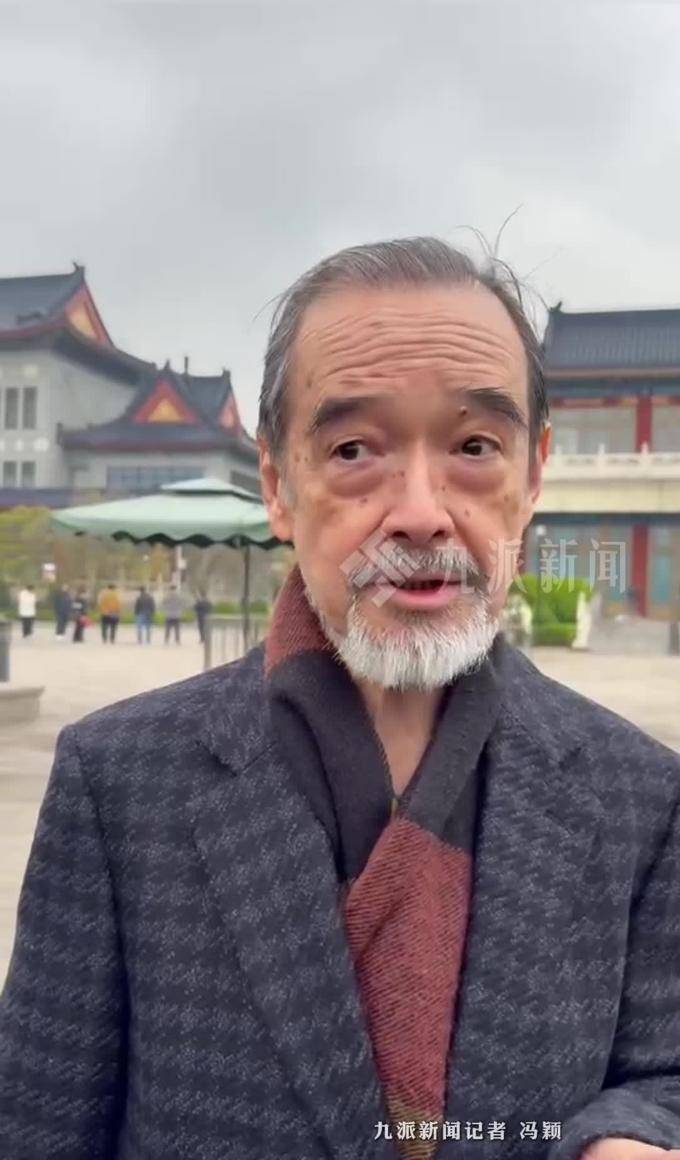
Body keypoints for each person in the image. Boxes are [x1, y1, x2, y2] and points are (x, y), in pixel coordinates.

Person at [2, 238, 679, 1160]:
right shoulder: (119, 783)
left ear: (533, 478)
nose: (421, 512)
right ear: (278, 486)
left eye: (475, 446)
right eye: (354, 448)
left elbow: (662, 1070)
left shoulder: (641, 795)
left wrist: (627, 1132)